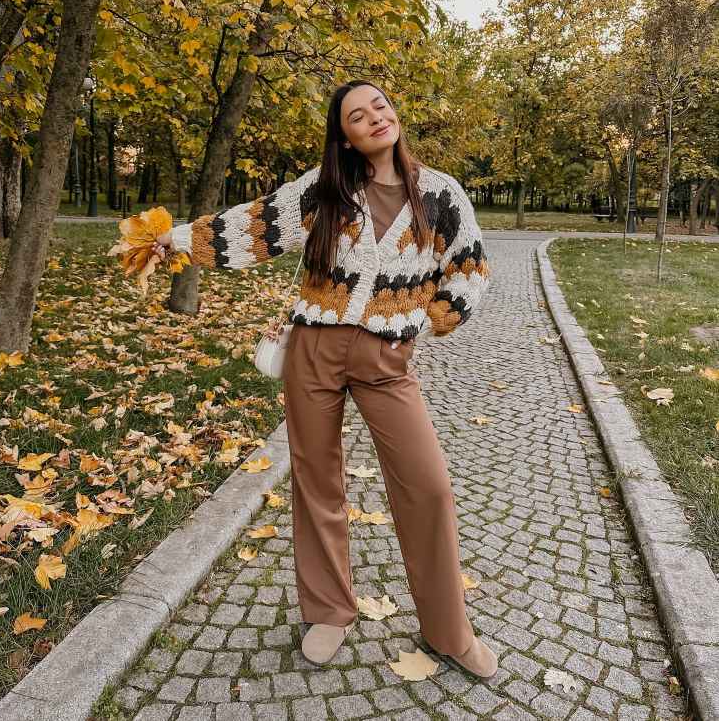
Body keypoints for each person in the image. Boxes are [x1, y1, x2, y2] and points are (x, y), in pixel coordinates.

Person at [151, 80, 497, 680]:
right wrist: (179, 241)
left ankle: (448, 629)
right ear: (346, 134)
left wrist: (428, 318)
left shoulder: (440, 194)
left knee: (429, 485)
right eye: (358, 117)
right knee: (318, 479)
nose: (374, 119)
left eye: (380, 106)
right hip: (313, 347)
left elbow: (470, 268)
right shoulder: (325, 188)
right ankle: (329, 612)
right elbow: (258, 225)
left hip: (387, 363)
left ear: (395, 112)